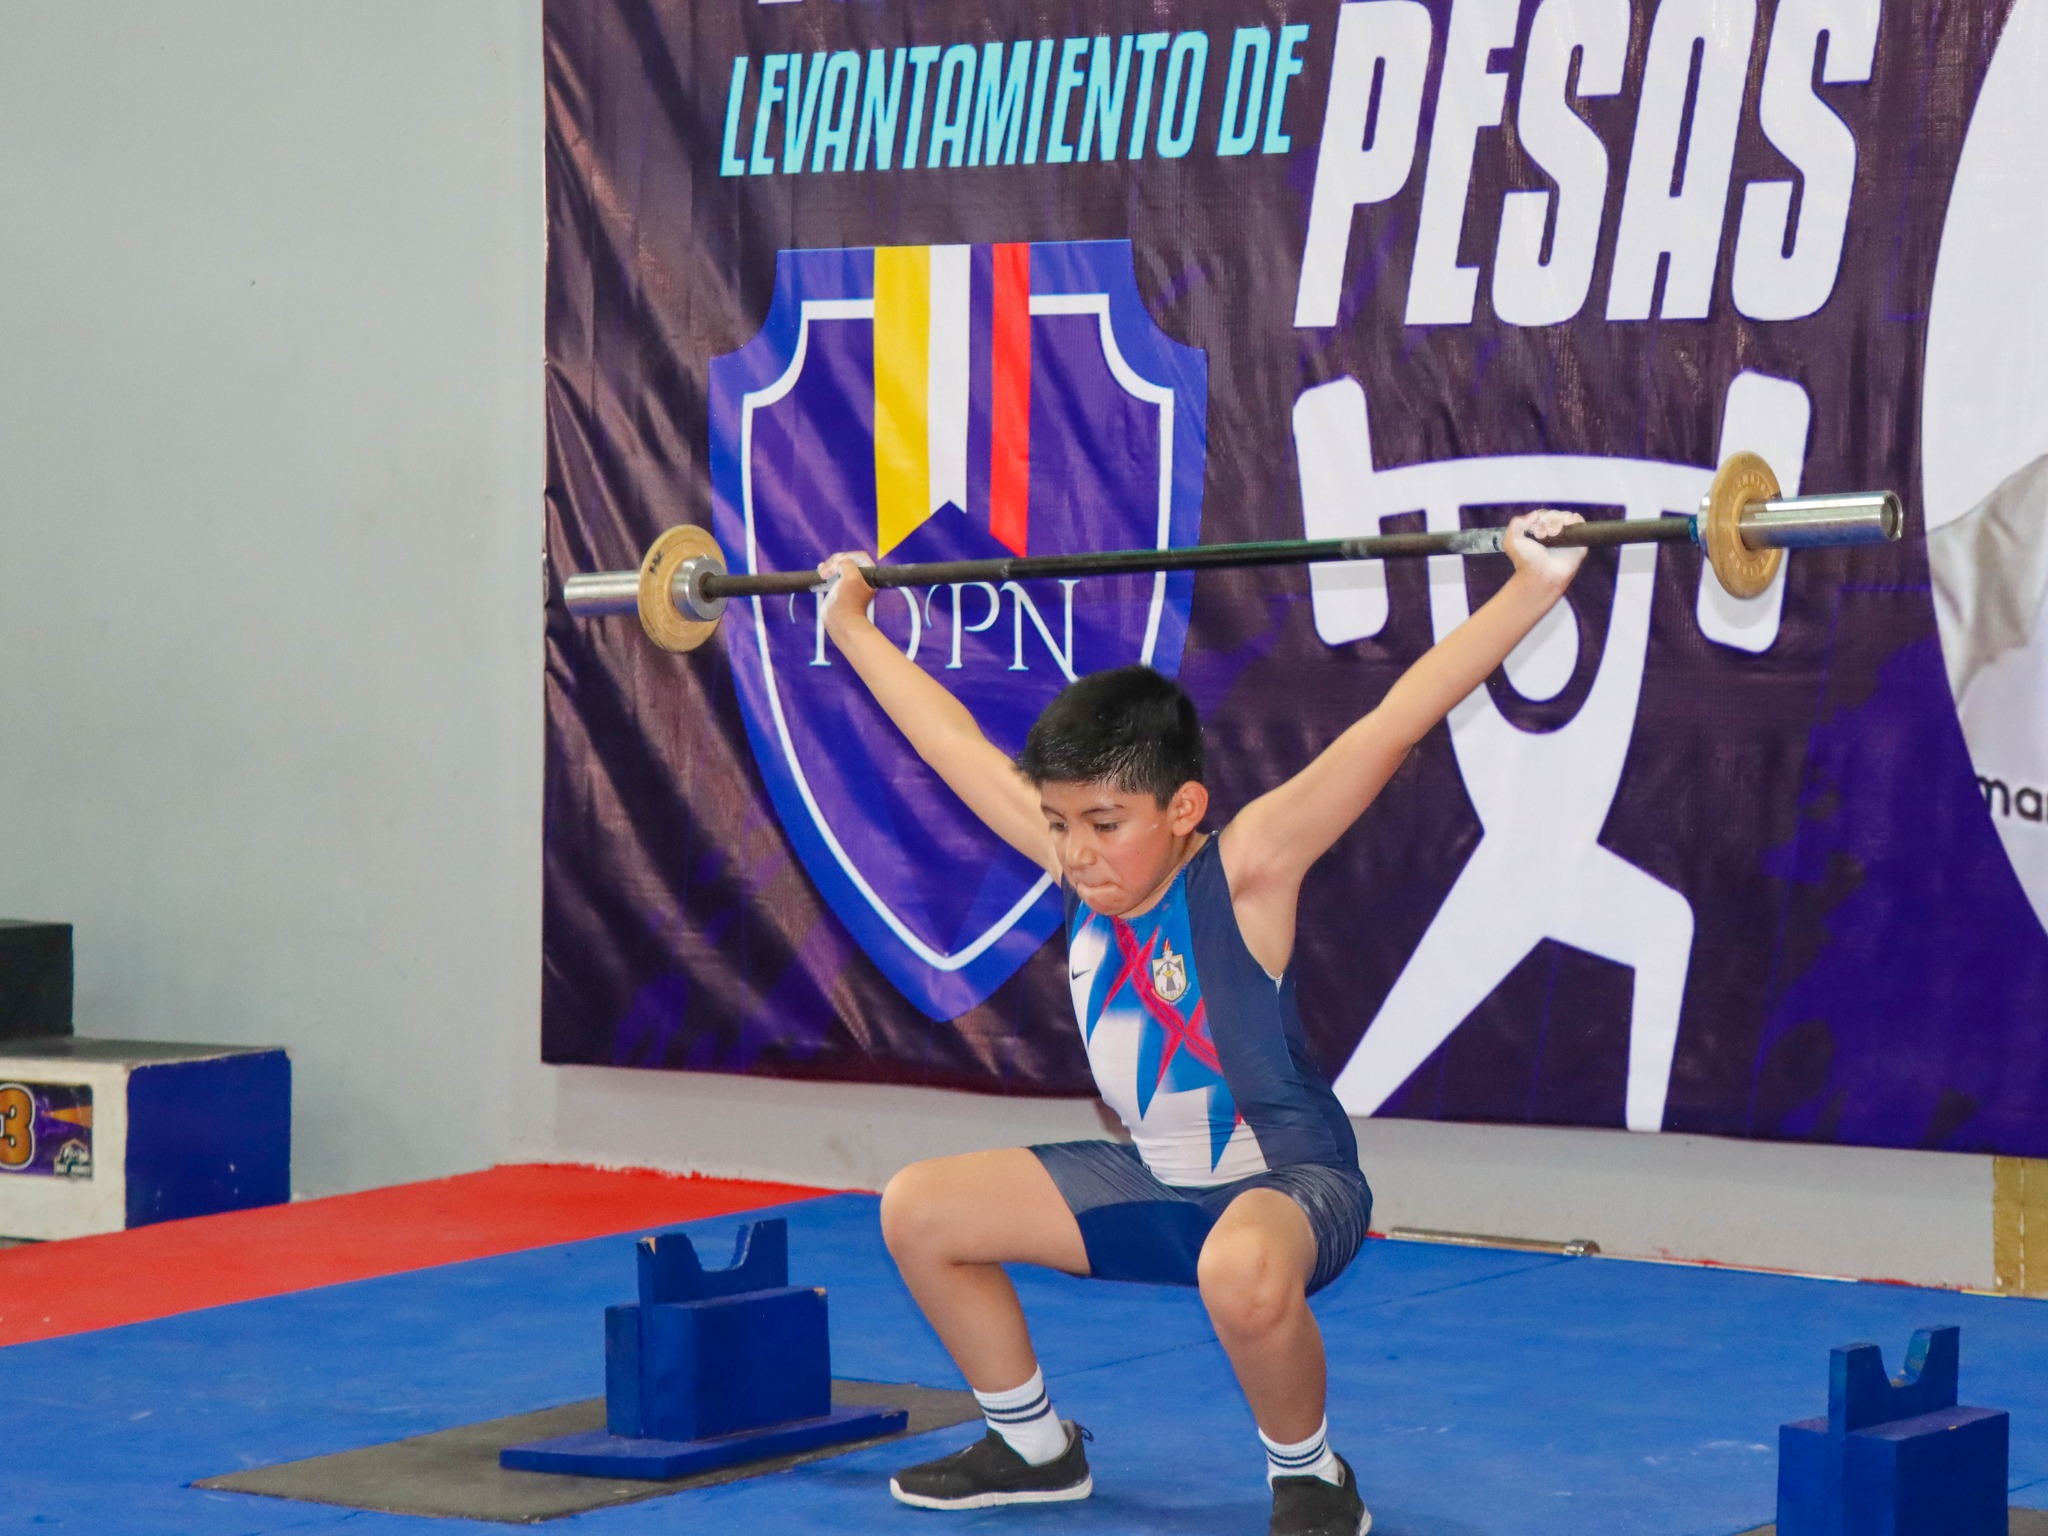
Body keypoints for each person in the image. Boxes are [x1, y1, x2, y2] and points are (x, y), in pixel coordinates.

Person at [815, 511, 1589, 1536]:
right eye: (1058, 824)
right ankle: (1033, 1447)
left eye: (1104, 826)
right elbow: (949, 740)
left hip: (1291, 1191)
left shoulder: (1248, 867)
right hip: (1155, 1184)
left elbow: (1392, 722)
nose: (1075, 854)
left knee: (1237, 1267)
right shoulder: (1076, 863)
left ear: (1182, 809)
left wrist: (1534, 586)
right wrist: (853, 623)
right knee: (918, 1208)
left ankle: (1310, 1479)